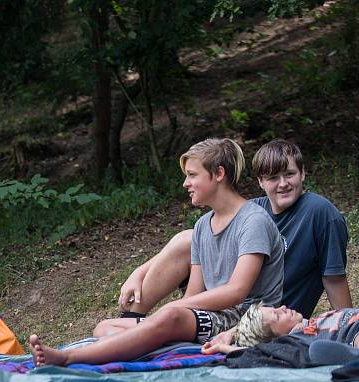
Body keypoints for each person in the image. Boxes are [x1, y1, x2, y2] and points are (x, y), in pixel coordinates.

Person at [30, 138, 284, 366]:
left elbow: (236, 291)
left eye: (192, 175)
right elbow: (195, 293)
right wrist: (169, 315)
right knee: (104, 327)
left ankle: (68, 357)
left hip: (248, 318)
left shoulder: (253, 221)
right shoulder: (202, 226)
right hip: (215, 317)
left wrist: (171, 311)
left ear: (218, 173)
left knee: (169, 316)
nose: (186, 183)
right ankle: (160, 341)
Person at [118, 139, 351, 320]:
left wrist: (349, 328)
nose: (283, 184)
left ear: (303, 174)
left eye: (289, 174)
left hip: (269, 315)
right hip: (226, 306)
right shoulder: (254, 209)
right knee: (187, 238)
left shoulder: (320, 213)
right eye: (272, 177)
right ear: (260, 181)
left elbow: (334, 279)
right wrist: (138, 272)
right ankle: (131, 318)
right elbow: (197, 242)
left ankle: (141, 327)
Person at [202, 304, 359, 358]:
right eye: (277, 316)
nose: (282, 308)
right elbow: (258, 352)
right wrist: (223, 348)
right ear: (276, 340)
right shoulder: (295, 341)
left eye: (276, 309)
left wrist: (231, 332)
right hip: (353, 335)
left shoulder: (311, 323)